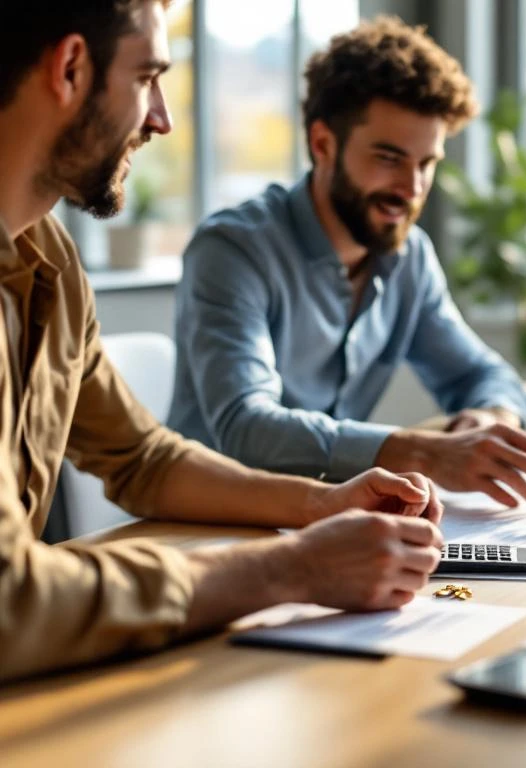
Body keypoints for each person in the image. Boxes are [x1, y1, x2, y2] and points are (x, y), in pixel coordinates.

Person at [0, 0, 451, 683]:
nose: (161, 119)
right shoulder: (236, 245)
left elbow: (143, 460)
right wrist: (289, 568)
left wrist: (322, 504)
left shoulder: (51, 261)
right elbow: (11, 597)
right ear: (70, 69)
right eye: (147, 77)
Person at [167, 16, 526, 508]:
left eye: (426, 163)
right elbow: (245, 427)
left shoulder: (408, 258)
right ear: (322, 144)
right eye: (389, 158)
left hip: (330, 518)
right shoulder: (232, 250)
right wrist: (426, 453)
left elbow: (483, 375)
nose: (412, 188)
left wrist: (489, 419)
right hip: (208, 523)